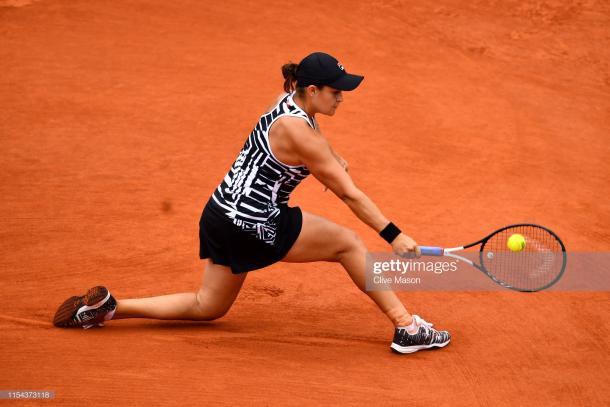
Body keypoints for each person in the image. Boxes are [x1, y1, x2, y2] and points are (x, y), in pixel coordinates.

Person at [53, 52, 450, 354]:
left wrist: (331, 160)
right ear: (312, 90)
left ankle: (109, 309)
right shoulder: (302, 134)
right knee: (348, 243)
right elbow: (348, 192)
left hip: (218, 213)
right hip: (254, 221)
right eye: (336, 90)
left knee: (207, 306)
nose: (342, 97)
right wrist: (394, 234)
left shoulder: (284, 104)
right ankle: (406, 326)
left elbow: (309, 147)